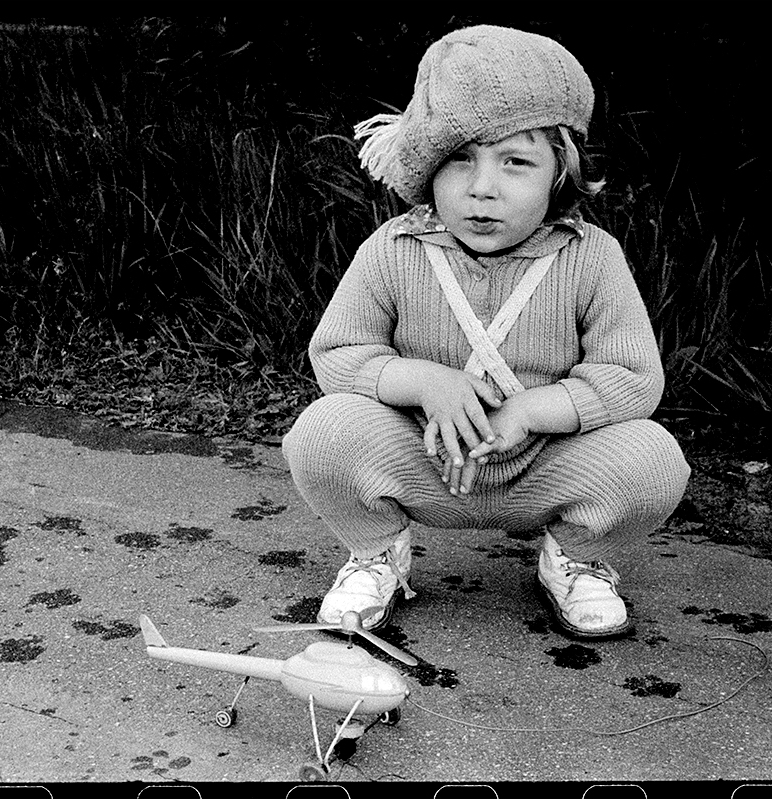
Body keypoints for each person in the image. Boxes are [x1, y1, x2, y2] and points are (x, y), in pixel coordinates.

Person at [283, 24, 690, 640]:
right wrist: (425, 382)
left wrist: (530, 412)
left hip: (543, 467)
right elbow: (339, 353)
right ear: (426, 170)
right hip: (420, 458)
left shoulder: (590, 256)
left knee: (654, 459)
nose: (482, 188)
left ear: (560, 173)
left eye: (516, 163)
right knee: (322, 431)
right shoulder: (394, 248)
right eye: (458, 161)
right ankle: (375, 554)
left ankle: (573, 559)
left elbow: (631, 378)